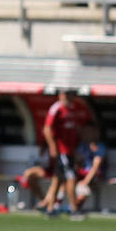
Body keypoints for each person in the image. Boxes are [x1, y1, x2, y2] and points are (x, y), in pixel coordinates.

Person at [41, 90, 83, 220]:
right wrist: (53, 146)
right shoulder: (56, 108)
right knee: (71, 179)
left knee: (57, 179)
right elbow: (47, 129)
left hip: (69, 151)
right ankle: (74, 209)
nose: (68, 97)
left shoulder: (71, 109)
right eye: (66, 94)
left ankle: (50, 209)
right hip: (62, 151)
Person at [74, 125, 107, 213]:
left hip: (94, 176)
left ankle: (74, 208)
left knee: (83, 188)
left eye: (90, 132)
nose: (88, 134)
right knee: (66, 179)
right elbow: (76, 162)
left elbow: (96, 167)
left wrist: (85, 182)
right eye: (86, 132)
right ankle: (58, 204)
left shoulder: (100, 146)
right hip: (82, 174)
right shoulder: (82, 145)